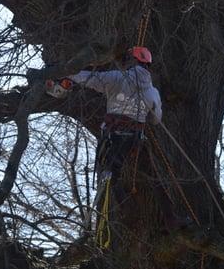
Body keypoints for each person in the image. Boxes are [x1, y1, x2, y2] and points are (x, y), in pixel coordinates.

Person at [68, 46, 161, 186]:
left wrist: (66, 72)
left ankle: (109, 176)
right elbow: (156, 120)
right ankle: (113, 177)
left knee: (110, 161)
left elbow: (91, 78)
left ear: (132, 60)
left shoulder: (116, 78)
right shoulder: (153, 93)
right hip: (133, 139)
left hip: (112, 134)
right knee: (118, 162)